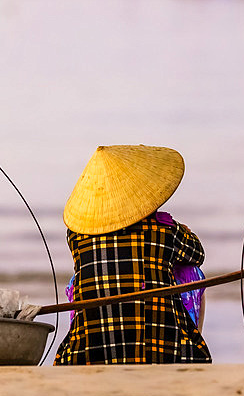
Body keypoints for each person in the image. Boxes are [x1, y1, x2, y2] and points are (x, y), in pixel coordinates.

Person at [54, 145, 212, 365]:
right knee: (192, 272)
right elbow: (197, 253)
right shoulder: (165, 230)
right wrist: (181, 228)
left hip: (87, 354)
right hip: (164, 351)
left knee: (78, 281)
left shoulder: (77, 236)